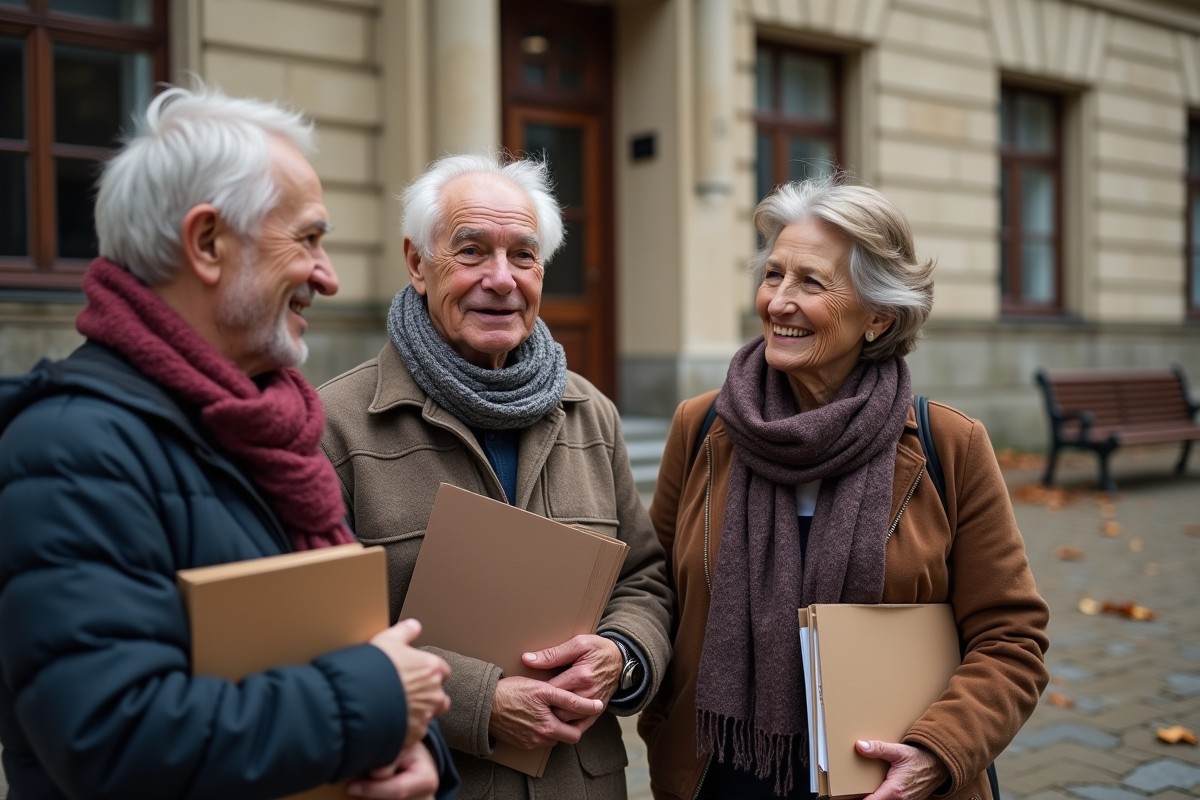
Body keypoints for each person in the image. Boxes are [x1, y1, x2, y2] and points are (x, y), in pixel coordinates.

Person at [0, 86, 458, 800]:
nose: (329, 277)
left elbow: (357, 655)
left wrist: (419, 754)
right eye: (307, 239)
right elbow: (113, 740)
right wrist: (377, 700)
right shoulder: (69, 450)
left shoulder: (272, 430)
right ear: (208, 243)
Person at [638, 177, 1050, 800]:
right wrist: (645, 698)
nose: (779, 302)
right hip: (718, 774)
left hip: (884, 782)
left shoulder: (949, 445)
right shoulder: (702, 427)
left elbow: (1011, 637)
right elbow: (655, 593)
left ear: (879, 317)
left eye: (811, 282)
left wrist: (939, 751)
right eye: (773, 275)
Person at [319, 153, 673, 799]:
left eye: (523, 256)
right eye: (472, 251)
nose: (501, 279)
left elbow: (644, 578)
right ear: (417, 263)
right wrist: (476, 702)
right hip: (436, 779)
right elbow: (320, 635)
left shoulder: (591, 413)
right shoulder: (336, 426)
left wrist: (620, 653)